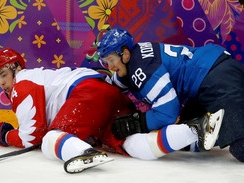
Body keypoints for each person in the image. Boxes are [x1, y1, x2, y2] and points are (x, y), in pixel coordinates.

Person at [0, 48, 221, 174]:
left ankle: (84, 153)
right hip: (106, 94)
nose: (1, 82)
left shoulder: (23, 84)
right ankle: (193, 131)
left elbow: (33, 136)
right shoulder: (37, 78)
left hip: (86, 95)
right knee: (130, 144)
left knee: (51, 140)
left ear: (16, 68)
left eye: (3, 75)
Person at [97, 28, 244, 162]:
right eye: (106, 63)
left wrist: (137, 122)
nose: (110, 67)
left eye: (111, 60)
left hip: (216, 77)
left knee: (241, 148)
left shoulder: (142, 69)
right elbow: (113, 87)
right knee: (189, 135)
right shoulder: (131, 62)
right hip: (207, 78)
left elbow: (167, 114)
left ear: (126, 54)